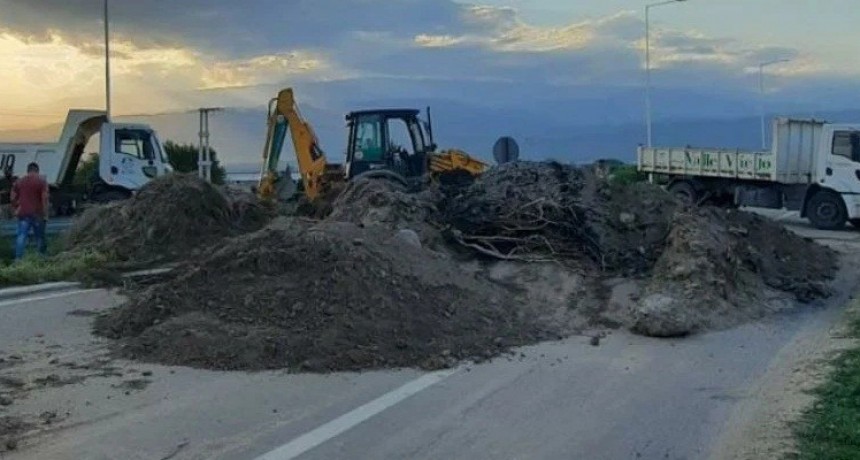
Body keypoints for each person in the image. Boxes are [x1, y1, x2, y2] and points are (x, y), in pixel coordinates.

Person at [10, 162, 49, 260]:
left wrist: (16, 208)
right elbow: (44, 198)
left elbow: (12, 198)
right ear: (37, 170)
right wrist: (45, 213)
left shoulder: (19, 182)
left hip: (23, 213)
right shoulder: (42, 181)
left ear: (27, 170)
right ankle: (41, 257)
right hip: (37, 213)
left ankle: (18, 259)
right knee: (39, 237)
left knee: (21, 236)